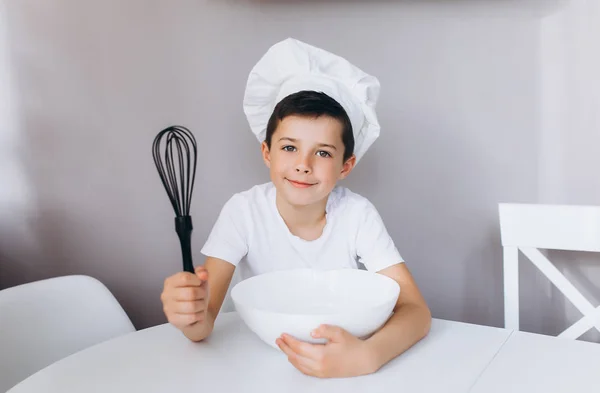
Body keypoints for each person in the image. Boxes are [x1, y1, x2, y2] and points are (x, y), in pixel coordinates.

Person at [160, 38, 431, 378]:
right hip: (254, 368)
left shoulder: (357, 215)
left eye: (322, 152)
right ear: (267, 152)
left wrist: (368, 356)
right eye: (289, 147)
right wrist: (190, 315)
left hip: (340, 368)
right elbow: (204, 326)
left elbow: (416, 311)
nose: (303, 165)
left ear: (346, 165)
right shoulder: (242, 212)